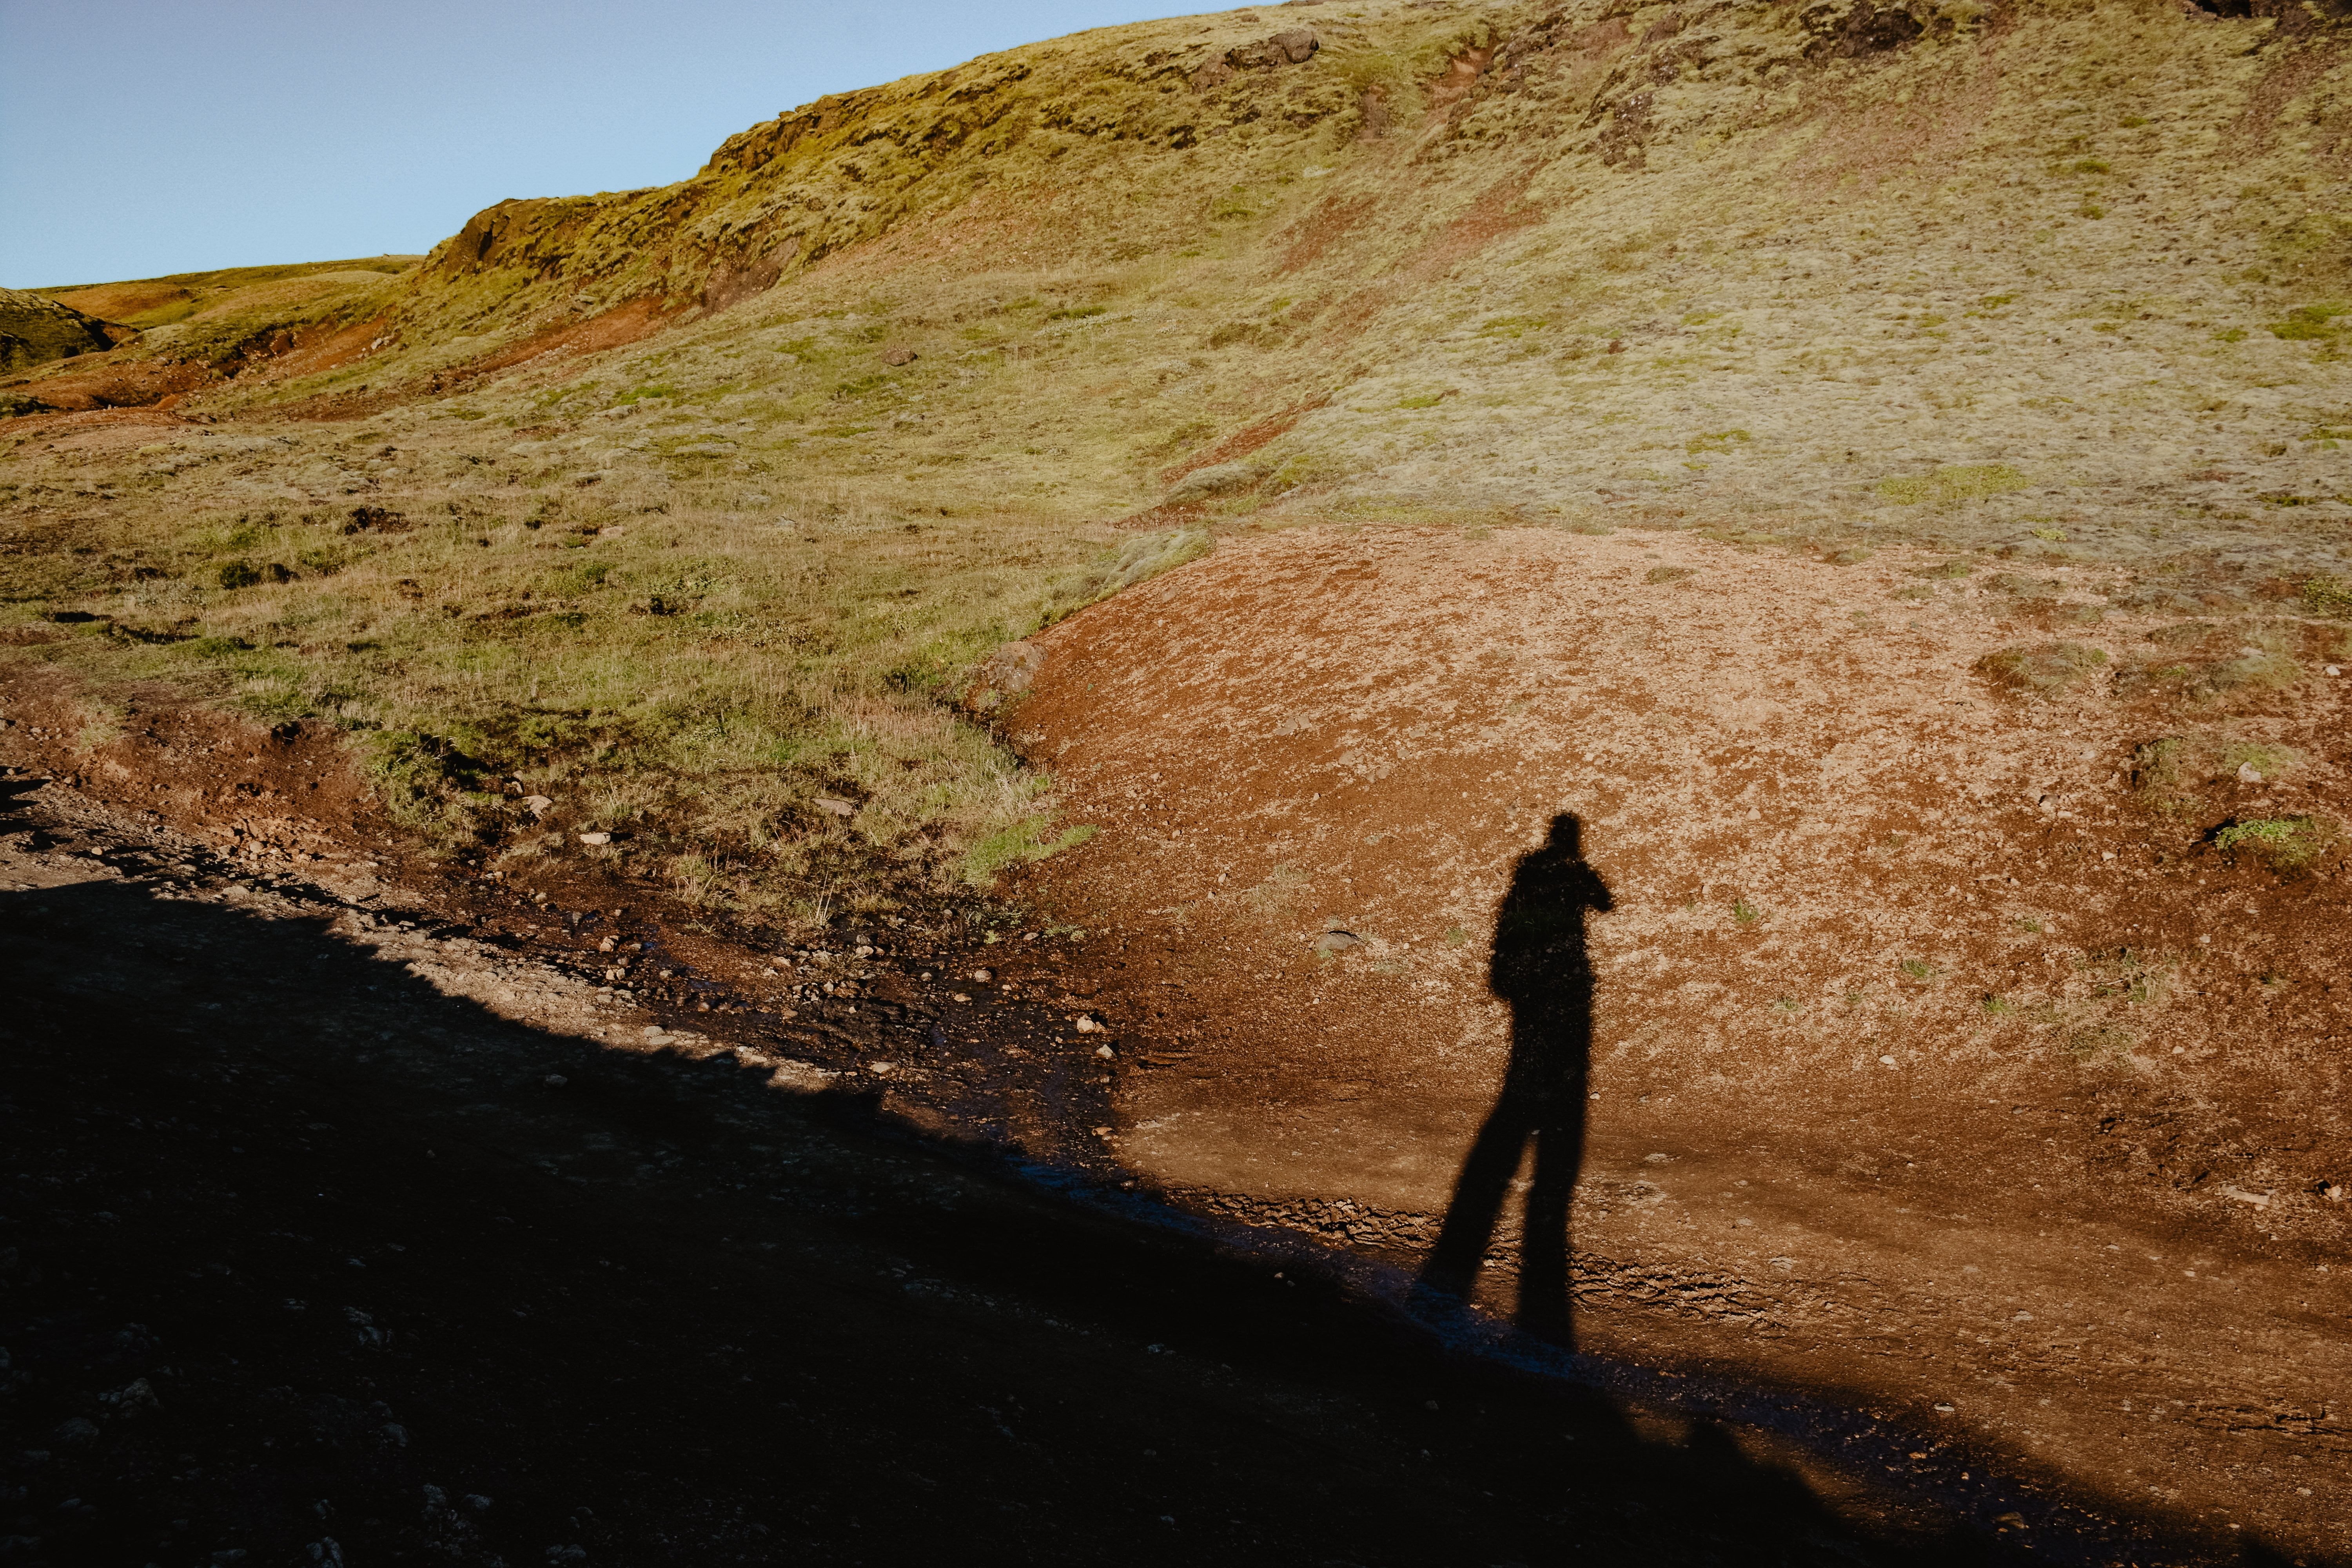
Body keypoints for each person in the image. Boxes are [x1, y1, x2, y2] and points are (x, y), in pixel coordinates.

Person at [1416, 812, 1612, 1345]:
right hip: (1564, 980)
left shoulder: (1525, 882)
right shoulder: (1571, 875)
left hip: (1535, 986)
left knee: (1526, 1074)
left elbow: (1516, 928)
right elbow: (1604, 902)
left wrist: (1507, 975)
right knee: (1554, 1073)